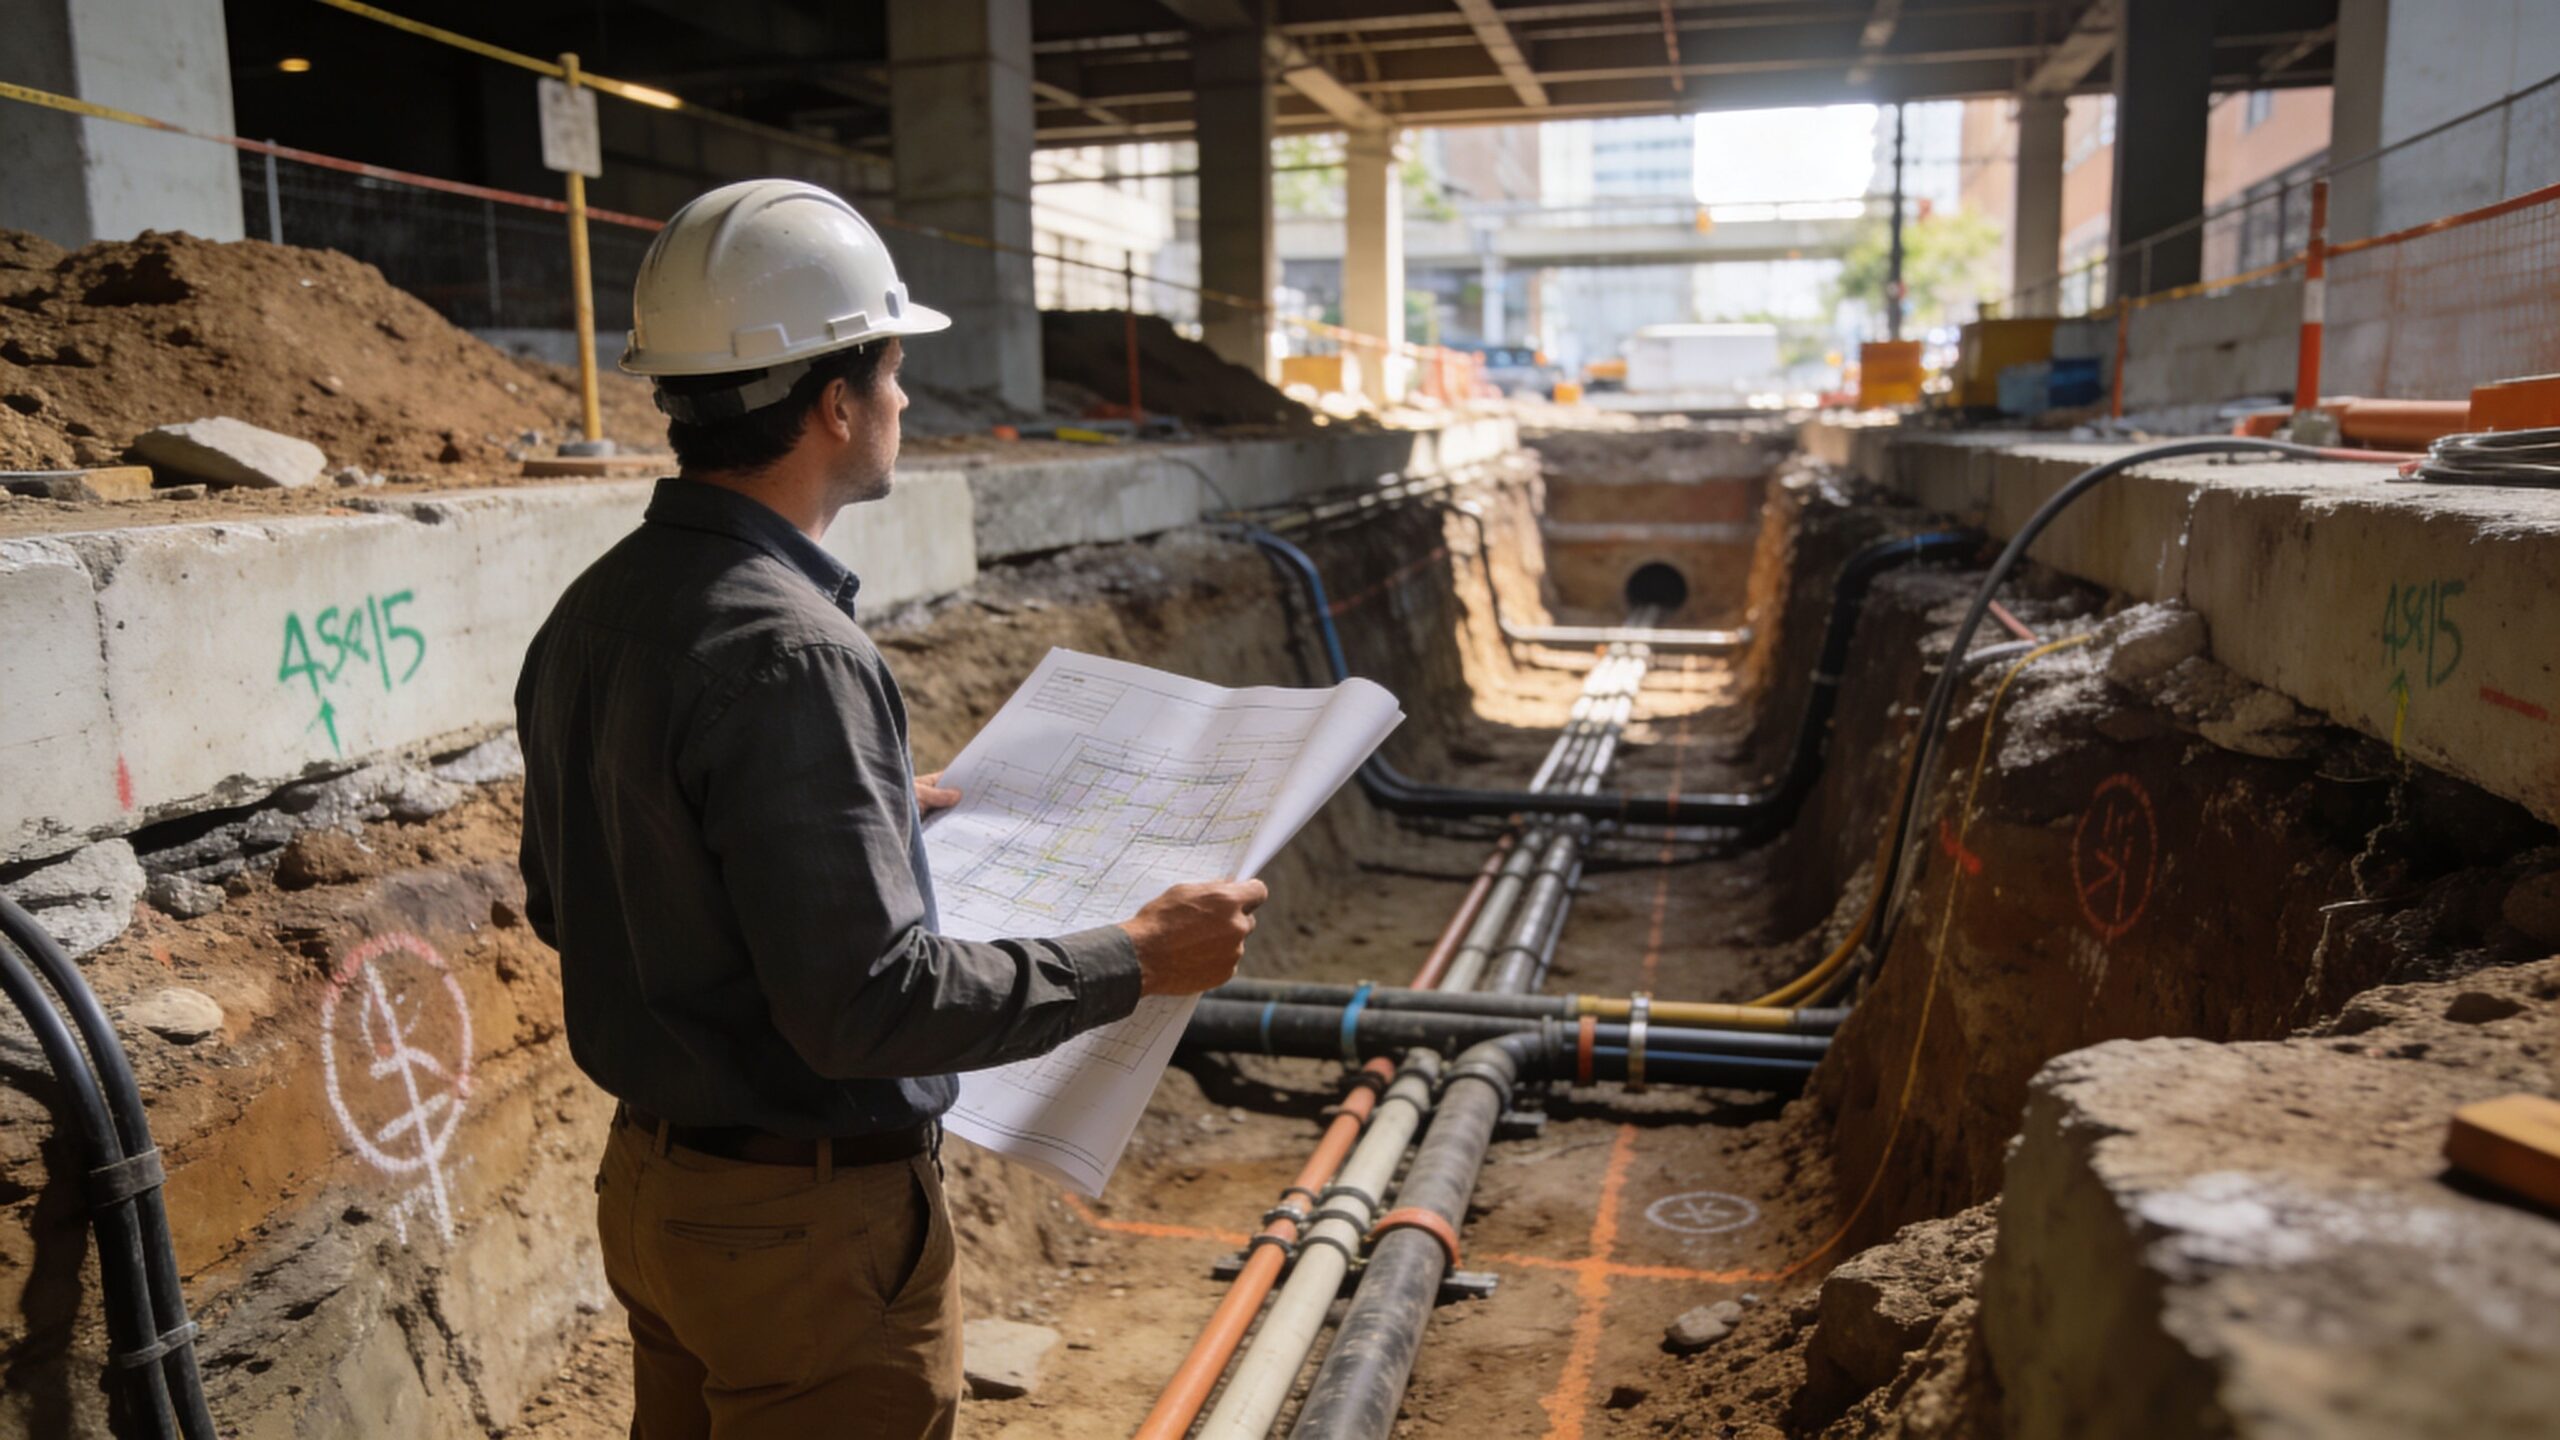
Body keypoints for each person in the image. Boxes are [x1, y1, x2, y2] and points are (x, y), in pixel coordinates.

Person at [515, 179, 1266, 1440]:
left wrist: (824, 821)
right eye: (894, 370)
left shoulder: (601, 604)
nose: (906, 401)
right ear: (832, 402)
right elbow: (871, 1007)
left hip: (661, 1198)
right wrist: (1137, 959)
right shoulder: (793, 653)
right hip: (806, 1242)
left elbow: (568, 899)